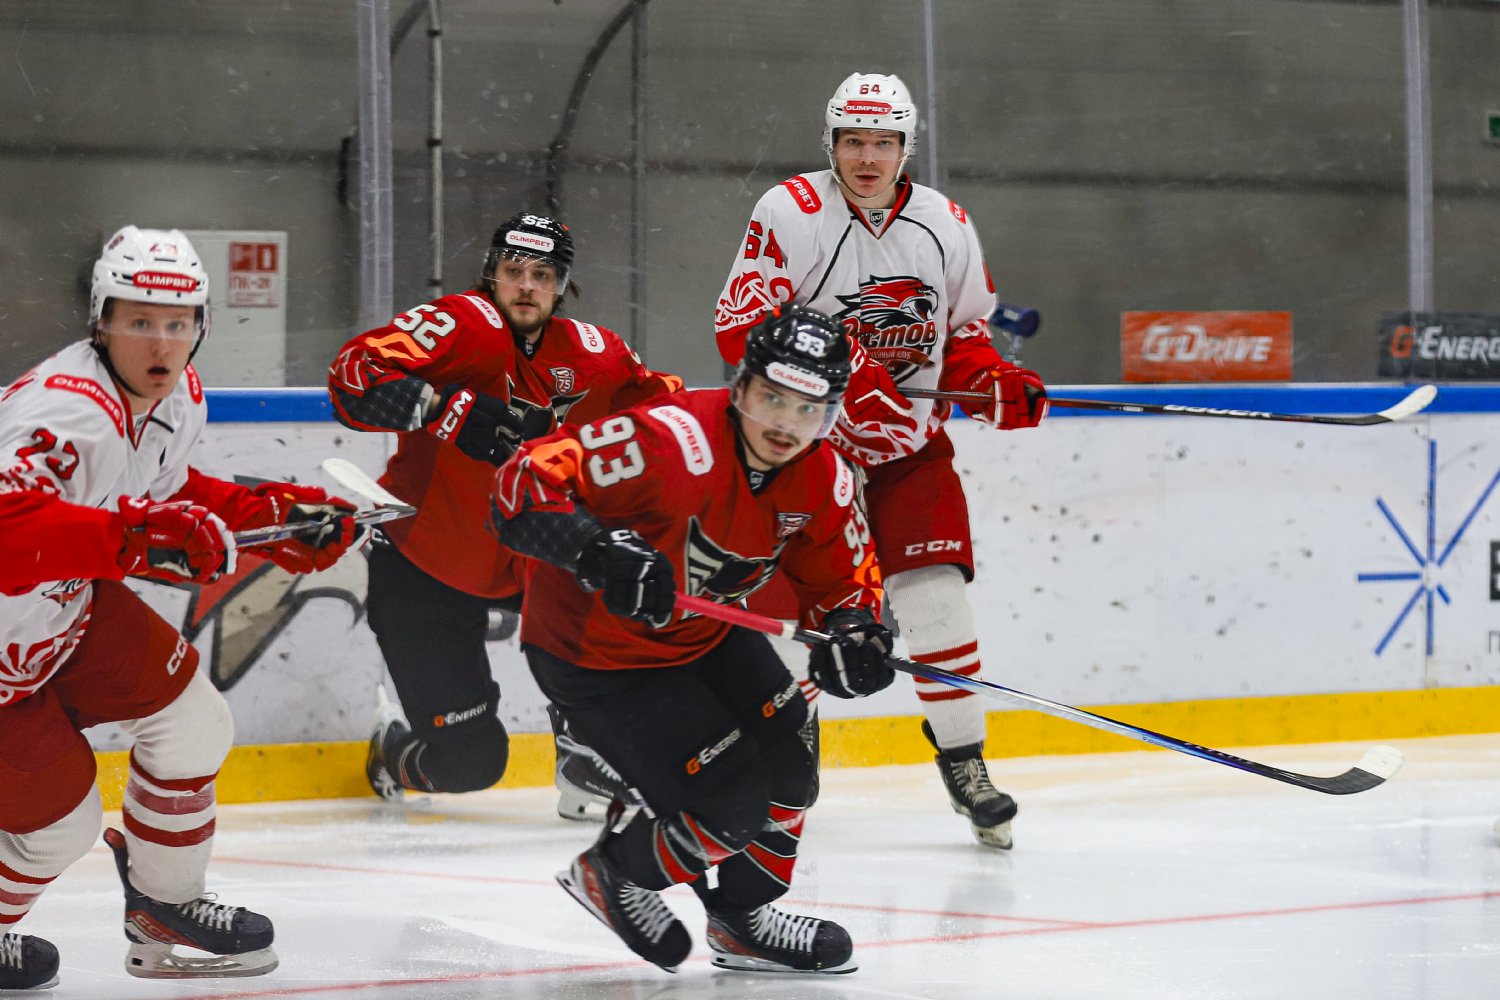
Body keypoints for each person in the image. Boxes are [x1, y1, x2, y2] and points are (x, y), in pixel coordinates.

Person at [0, 226, 359, 990]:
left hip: (59, 615)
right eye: (139, 321)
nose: (161, 342)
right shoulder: (64, 413)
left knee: (193, 721)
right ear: (101, 322)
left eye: (178, 321)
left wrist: (275, 519)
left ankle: (165, 903)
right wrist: (129, 539)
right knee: (59, 831)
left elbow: (165, 493)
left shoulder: (176, 398)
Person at [491, 304, 893, 974]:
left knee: (790, 768)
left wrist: (855, 632)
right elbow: (521, 483)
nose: (784, 425)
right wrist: (595, 550)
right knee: (730, 803)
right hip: (598, 655)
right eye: (772, 398)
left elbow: (846, 582)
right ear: (742, 386)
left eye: (808, 409)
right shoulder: (668, 438)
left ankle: (742, 922)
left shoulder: (827, 477)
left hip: (705, 634)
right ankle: (612, 873)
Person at [712, 72, 1049, 850]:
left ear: (906, 148)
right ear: (830, 143)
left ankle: (964, 760)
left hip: (906, 451)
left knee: (935, 598)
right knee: (793, 615)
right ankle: (783, 757)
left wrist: (993, 384)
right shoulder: (789, 211)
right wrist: (840, 372)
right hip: (802, 451)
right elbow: (739, 327)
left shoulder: (945, 222)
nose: (868, 158)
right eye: (853, 142)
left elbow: (963, 334)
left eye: (884, 143)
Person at [328, 211, 682, 816]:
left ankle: (586, 751)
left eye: (542, 275)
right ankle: (393, 751)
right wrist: (441, 407)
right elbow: (350, 377)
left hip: (531, 553)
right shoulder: (464, 324)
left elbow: (670, 414)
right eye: (513, 270)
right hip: (425, 565)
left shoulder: (595, 353)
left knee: (630, 577)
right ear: (491, 273)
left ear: (561, 285)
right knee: (469, 764)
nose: (525, 286)